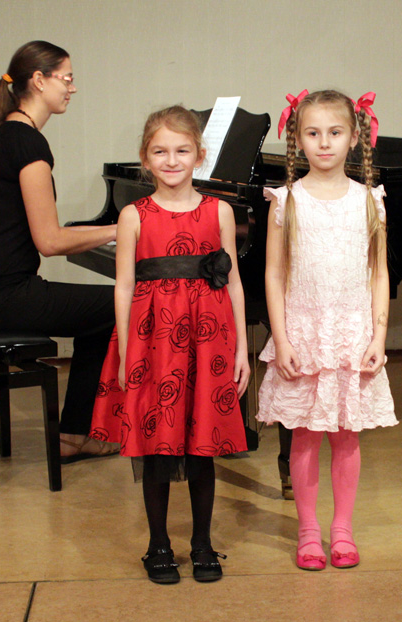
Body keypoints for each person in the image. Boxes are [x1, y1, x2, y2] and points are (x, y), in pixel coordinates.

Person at [89, 106, 250, 584]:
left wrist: (241, 349)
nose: (172, 160)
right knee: (157, 444)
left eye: (182, 150)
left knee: (202, 446)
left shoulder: (219, 211)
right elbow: (123, 286)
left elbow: (233, 282)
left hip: (208, 339)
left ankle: (202, 543)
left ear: (199, 155)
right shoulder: (133, 216)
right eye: (160, 151)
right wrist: (124, 353)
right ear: (145, 158)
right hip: (153, 343)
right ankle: (158, 543)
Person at [0, 41, 119, 463]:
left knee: (101, 311)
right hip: (3, 298)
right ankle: (74, 435)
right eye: (67, 78)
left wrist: (98, 232)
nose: (72, 88)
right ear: (39, 80)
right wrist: (121, 229)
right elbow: (50, 242)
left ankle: (76, 431)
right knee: (117, 306)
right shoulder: (28, 144)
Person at [256, 90, 397, 571]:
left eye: (334, 133)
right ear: (298, 138)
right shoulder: (286, 200)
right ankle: (308, 532)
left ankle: (342, 530)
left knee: (347, 437)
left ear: (354, 137)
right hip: (305, 335)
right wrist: (282, 339)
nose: (324, 143)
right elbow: (274, 274)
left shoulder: (370, 200)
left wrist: (378, 336)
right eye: (312, 133)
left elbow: (379, 273)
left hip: (352, 336)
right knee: (305, 437)